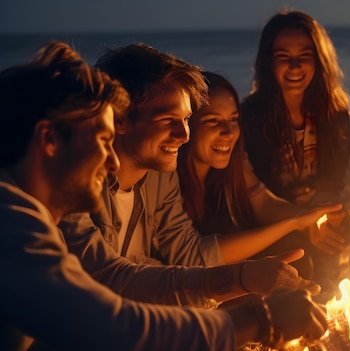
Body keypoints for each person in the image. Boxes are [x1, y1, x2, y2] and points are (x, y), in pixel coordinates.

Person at [0, 41, 327, 351]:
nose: (111, 161)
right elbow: (115, 326)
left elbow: (113, 284)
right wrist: (260, 319)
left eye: (186, 119)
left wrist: (241, 278)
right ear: (49, 140)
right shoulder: (11, 227)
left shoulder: (25, 214)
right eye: (102, 139)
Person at [240, 10, 350, 300]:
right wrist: (305, 224)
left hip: (318, 212)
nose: (295, 66)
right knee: (301, 261)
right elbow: (255, 195)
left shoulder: (334, 114)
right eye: (283, 56)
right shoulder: (250, 117)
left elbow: (333, 180)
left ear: (318, 60)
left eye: (304, 55)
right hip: (270, 222)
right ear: (269, 63)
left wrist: (325, 217)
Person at [177, 70, 342, 262]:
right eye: (213, 121)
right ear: (186, 124)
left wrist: (309, 219)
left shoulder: (233, 161)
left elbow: (262, 202)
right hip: (182, 279)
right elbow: (197, 257)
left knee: (299, 254)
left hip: (208, 273)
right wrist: (295, 222)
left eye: (233, 119)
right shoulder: (167, 182)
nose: (228, 132)